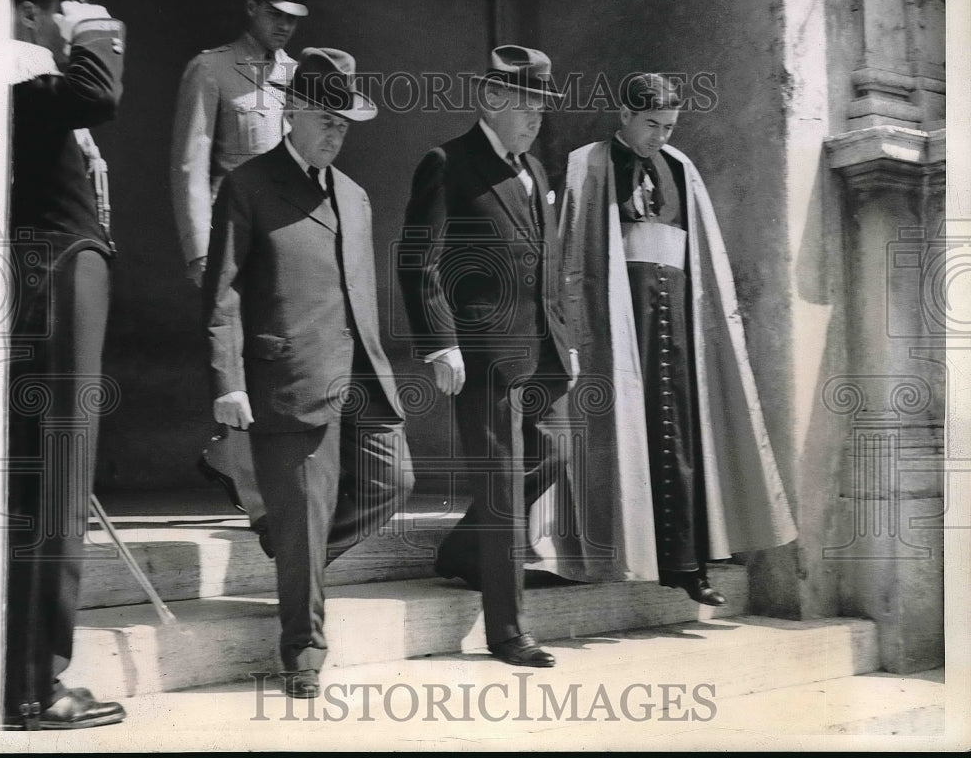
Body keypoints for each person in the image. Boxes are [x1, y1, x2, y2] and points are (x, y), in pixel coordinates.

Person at [536, 72, 797, 600]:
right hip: (616, 318)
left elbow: (701, 252)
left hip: (675, 318)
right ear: (625, 116)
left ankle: (685, 565)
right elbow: (569, 256)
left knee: (679, 434)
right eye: (652, 124)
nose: (662, 137)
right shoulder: (587, 164)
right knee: (622, 436)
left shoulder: (681, 168)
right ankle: (614, 557)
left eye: (671, 126)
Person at [203, 47, 414, 698]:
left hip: (358, 376)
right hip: (287, 378)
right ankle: (302, 654)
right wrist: (229, 383)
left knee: (394, 481)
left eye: (345, 123)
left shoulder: (354, 195)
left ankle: (287, 539)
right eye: (326, 117)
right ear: (292, 111)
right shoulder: (248, 185)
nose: (335, 131)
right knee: (307, 510)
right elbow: (222, 294)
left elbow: (358, 291)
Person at [398, 45, 579, 669]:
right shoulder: (447, 163)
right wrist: (439, 343)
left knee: (553, 452)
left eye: (542, 105)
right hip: (480, 355)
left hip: (537, 352)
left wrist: (565, 339)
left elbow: (549, 265)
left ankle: (462, 550)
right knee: (502, 484)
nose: (536, 116)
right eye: (526, 103)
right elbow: (419, 260)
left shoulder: (534, 171)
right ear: (492, 101)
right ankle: (507, 631)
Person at [4, 0, 127, 729]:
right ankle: (35, 686)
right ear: (23, 10)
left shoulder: (28, 78)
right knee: (54, 486)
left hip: (50, 274)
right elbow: (102, 93)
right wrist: (100, 25)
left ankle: (21, 675)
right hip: (56, 275)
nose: (64, 20)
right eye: (56, 6)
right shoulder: (20, 69)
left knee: (42, 489)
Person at [170, 0, 317, 554]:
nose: (284, 27)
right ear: (252, 6)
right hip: (235, 246)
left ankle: (226, 458)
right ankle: (261, 505)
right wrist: (202, 252)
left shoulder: (300, 76)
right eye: (276, 14)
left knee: (278, 370)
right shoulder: (211, 70)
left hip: (286, 250)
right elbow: (190, 165)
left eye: (294, 20)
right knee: (244, 370)